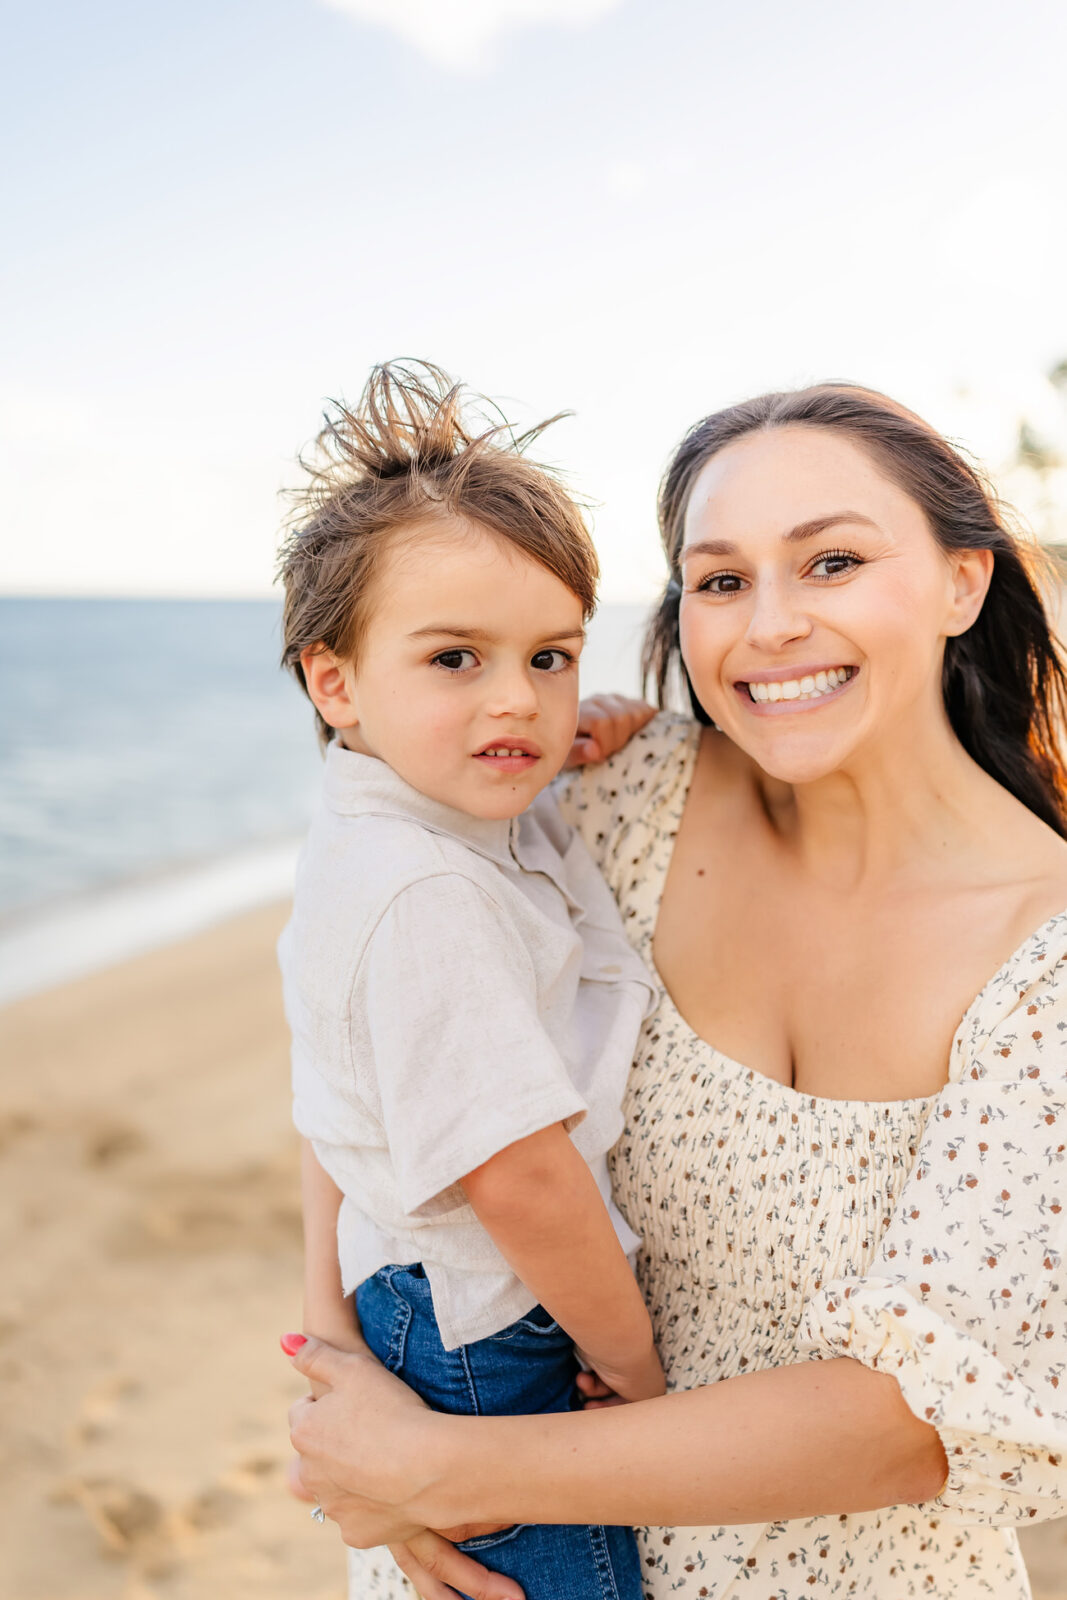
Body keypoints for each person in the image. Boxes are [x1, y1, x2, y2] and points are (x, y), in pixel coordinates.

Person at [285, 382, 1067, 1600]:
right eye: (717, 581)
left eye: (831, 561)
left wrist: (445, 1468)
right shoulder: (603, 798)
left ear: (961, 581)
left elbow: (921, 1419)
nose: (767, 626)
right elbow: (366, 1038)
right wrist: (342, 1391)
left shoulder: (1048, 962)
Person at [276, 360, 667, 1600]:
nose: (519, 702)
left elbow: (331, 1099)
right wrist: (641, 1377)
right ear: (334, 682)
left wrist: (583, 724)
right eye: (456, 659)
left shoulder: (419, 819)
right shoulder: (425, 896)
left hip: (415, 1291)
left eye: (549, 656)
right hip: (491, 1320)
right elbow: (522, 1177)